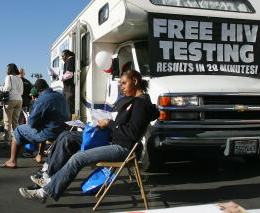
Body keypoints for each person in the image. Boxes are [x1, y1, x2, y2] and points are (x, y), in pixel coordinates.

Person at [19, 70, 158, 202]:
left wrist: (109, 123)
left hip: (123, 148)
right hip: (111, 139)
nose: (121, 87)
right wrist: (103, 123)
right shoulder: (132, 101)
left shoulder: (141, 104)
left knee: (78, 158)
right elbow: (121, 125)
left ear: (135, 81)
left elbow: (132, 134)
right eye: (120, 83)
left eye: (124, 83)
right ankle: (47, 175)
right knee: (67, 136)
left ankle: (45, 191)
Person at [0, 79, 69, 169]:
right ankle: (39, 156)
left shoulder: (42, 99)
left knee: (18, 130)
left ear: (37, 90)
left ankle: (12, 161)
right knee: (43, 125)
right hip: (61, 130)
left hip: (49, 133)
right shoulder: (61, 96)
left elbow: (31, 123)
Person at [0, 63, 24, 142]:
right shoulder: (20, 78)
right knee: (15, 122)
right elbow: (21, 91)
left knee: (7, 121)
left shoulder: (8, 77)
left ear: (9, 69)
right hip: (19, 100)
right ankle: (17, 140)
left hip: (10, 100)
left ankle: (7, 141)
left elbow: (7, 89)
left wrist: (0, 87)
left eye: (7, 68)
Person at [61, 50, 75, 115]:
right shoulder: (69, 61)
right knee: (68, 106)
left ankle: (69, 122)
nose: (62, 58)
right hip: (68, 88)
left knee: (69, 107)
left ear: (67, 55)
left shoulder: (70, 60)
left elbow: (69, 74)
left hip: (69, 88)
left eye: (63, 56)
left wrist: (61, 78)